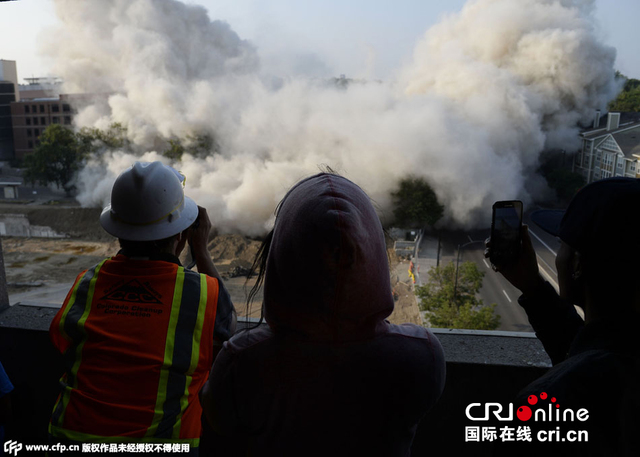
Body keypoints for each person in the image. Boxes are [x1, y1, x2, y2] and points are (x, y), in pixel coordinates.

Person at [201, 172, 446, 456]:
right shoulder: (422, 356)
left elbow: (217, 421)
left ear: (282, 254)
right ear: (374, 253)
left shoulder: (242, 362)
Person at [48, 161, 235, 453]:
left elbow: (62, 344)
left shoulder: (87, 283)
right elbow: (227, 332)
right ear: (181, 235)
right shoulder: (201, 292)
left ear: (118, 231)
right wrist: (201, 249)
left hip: (70, 437)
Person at [487, 177, 640, 455]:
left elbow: (588, 372)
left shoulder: (550, 407)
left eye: (562, 245)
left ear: (578, 264)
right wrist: (533, 287)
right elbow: (597, 351)